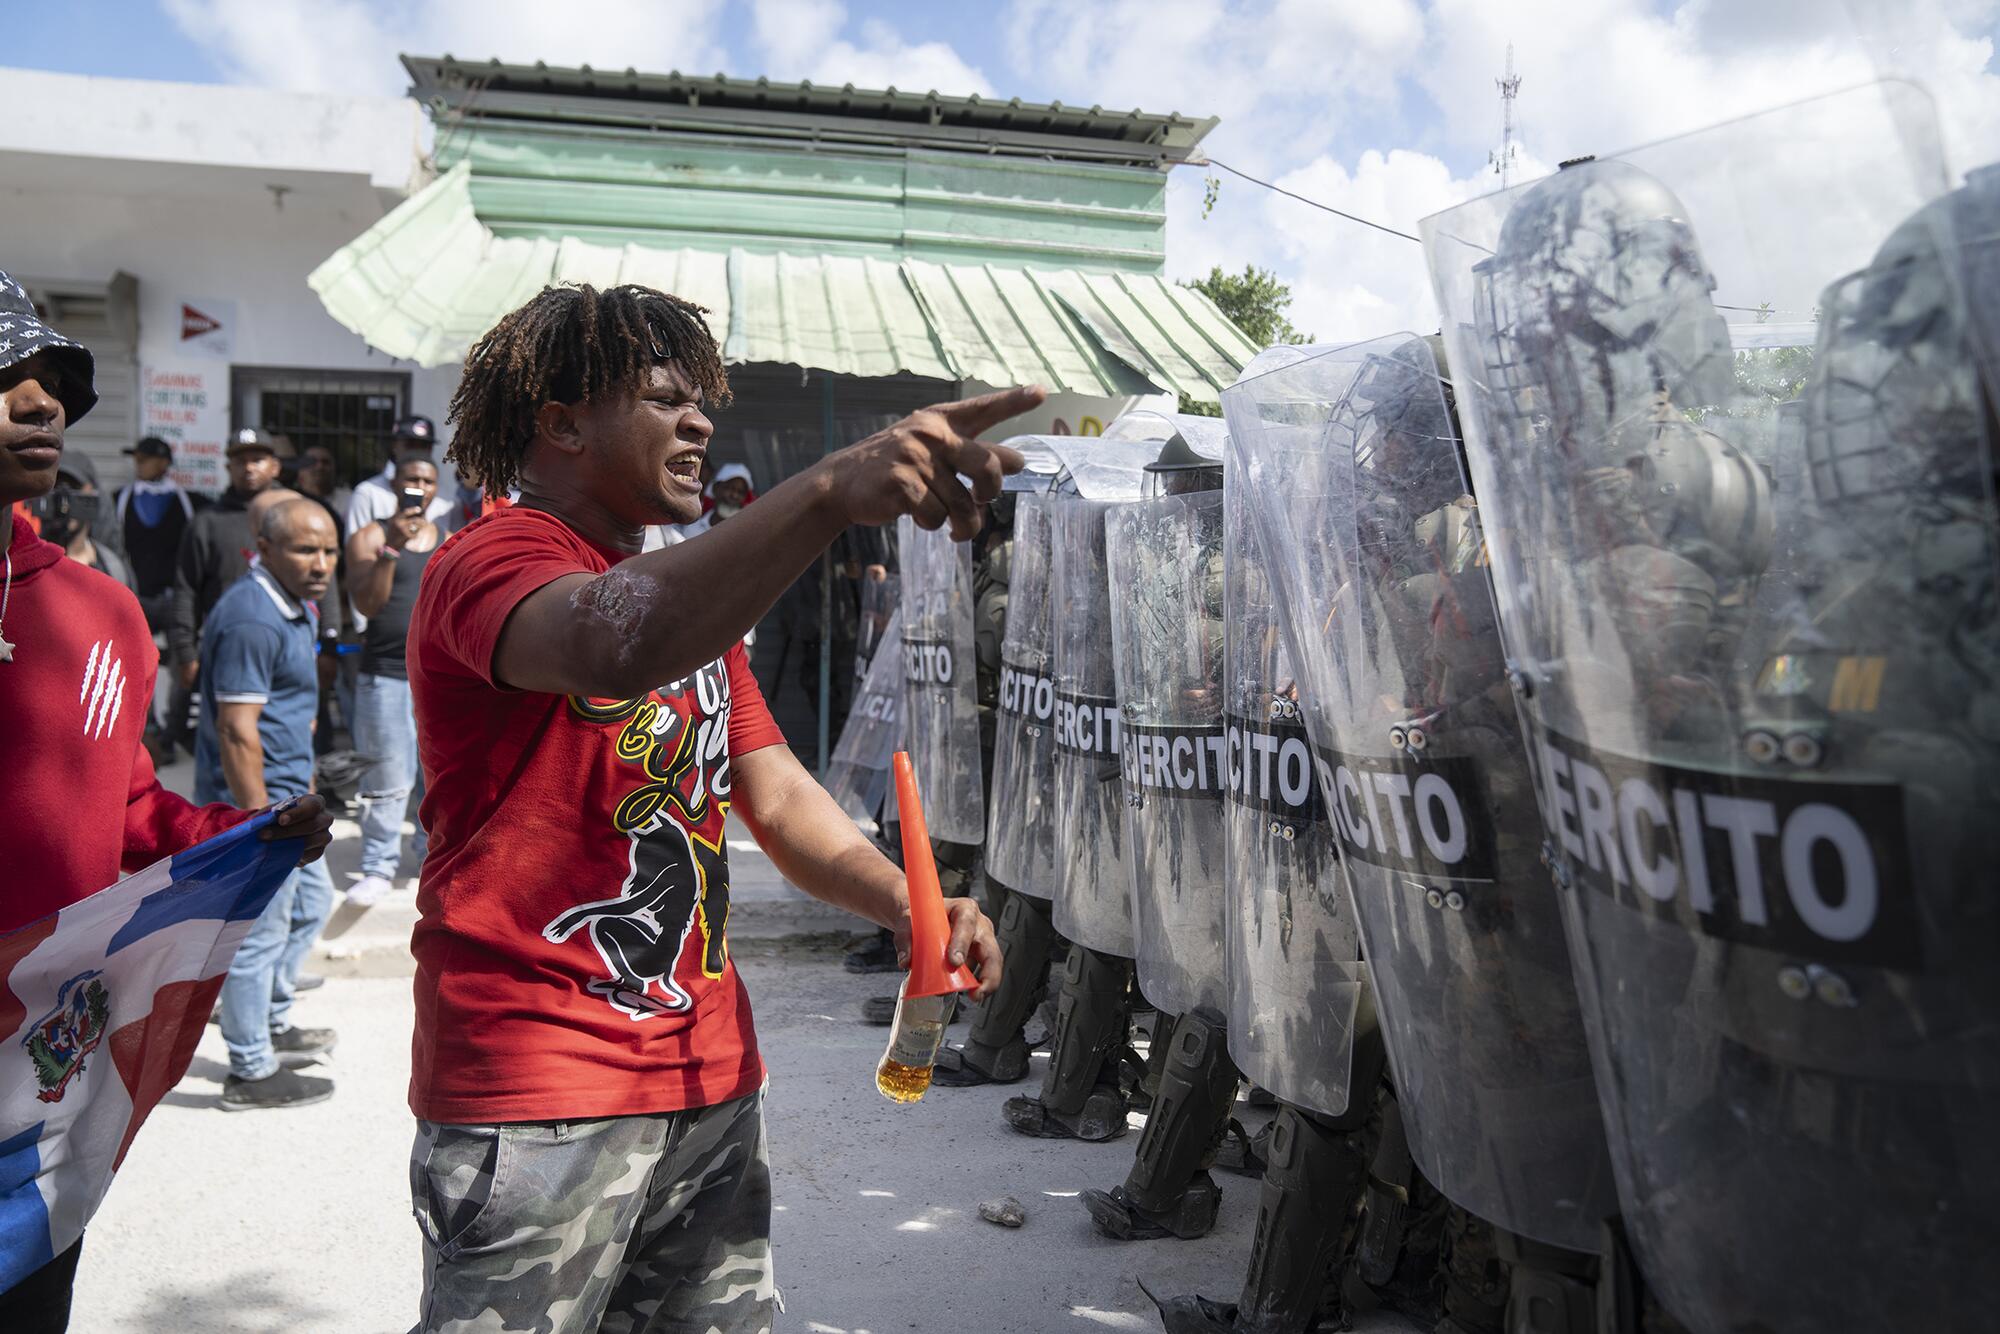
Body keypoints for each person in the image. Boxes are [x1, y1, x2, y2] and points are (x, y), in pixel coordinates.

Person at [405, 282, 1031, 1332]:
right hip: (539, 1088)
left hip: (707, 1075)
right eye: (664, 398)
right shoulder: (493, 561)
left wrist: (905, 901)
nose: (701, 420)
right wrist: (828, 489)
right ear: (558, 424)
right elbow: (616, 639)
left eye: (704, 399)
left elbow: (778, 796)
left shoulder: (688, 601)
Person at [0, 269, 332, 1331]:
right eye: (5, 374)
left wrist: (249, 834)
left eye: (54, 378)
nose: (41, 400)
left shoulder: (102, 614)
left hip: (37, 1088)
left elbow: (136, 809)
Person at [193, 497, 343, 1111]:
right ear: (265, 548)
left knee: (313, 902)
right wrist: (262, 823)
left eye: (329, 550)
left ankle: (274, 1021)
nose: (322, 563)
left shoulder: (292, 605)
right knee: (257, 935)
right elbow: (236, 731)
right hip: (263, 809)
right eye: (306, 550)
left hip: (292, 798)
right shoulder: (253, 616)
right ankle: (249, 1070)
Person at [344, 455, 441, 906]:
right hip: (383, 673)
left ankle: (426, 859)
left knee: (434, 774)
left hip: (436, 674)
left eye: (427, 480)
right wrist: (392, 547)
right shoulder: (371, 535)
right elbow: (367, 604)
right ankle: (377, 865)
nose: (419, 487)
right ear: (394, 484)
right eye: (410, 479)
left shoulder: (449, 537)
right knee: (386, 772)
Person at [168, 425, 283, 693]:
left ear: (275, 467)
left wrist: (329, 642)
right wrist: (186, 653)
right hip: (224, 652)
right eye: (240, 461)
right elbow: (186, 591)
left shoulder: (296, 515)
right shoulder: (206, 522)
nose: (249, 468)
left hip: (286, 650)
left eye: (257, 460)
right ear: (228, 467)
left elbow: (324, 583)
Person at [29, 452, 135, 591]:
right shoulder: (27, 565)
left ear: (94, 495)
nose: (64, 501)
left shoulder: (111, 567)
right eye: (56, 486)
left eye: (74, 487)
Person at [347, 414, 457, 534]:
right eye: (410, 444)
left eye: (424, 446)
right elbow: (355, 547)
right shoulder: (367, 493)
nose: (417, 451)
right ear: (394, 445)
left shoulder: (448, 500)